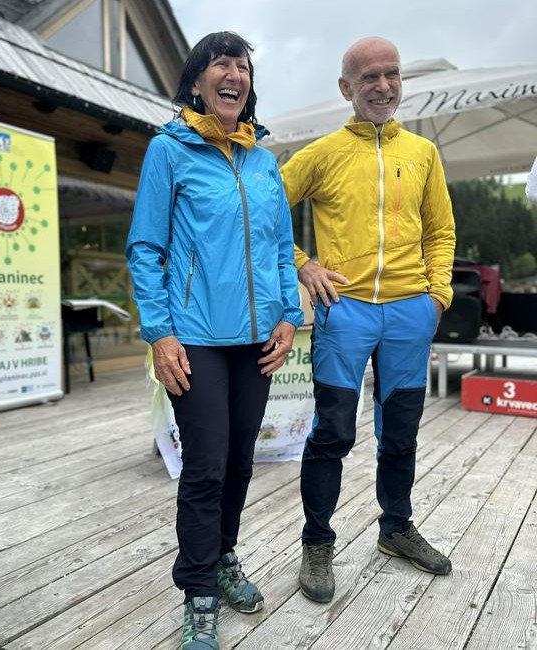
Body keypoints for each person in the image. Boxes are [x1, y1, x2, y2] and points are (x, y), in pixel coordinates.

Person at [126, 32, 303, 649]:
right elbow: (145, 248)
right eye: (220, 64)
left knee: (239, 462)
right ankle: (199, 592)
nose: (234, 74)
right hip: (194, 337)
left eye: (243, 66)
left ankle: (223, 556)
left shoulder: (262, 160)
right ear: (197, 82)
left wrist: (289, 316)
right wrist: (160, 332)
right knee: (204, 466)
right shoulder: (168, 150)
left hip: (258, 340)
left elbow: (282, 248)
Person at [279, 36, 456, 604]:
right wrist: (304, 265)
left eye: (392, 74)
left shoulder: (423, 153)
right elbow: (266, 212)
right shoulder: (323, 152)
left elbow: (441, 229)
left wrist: (437, 297)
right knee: (332, 432)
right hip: (345, 310)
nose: (383, 86)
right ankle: (317, 541)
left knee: (400, 432)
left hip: (410, 313)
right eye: (370, 77)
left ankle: (395, 528)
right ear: (346, 88)